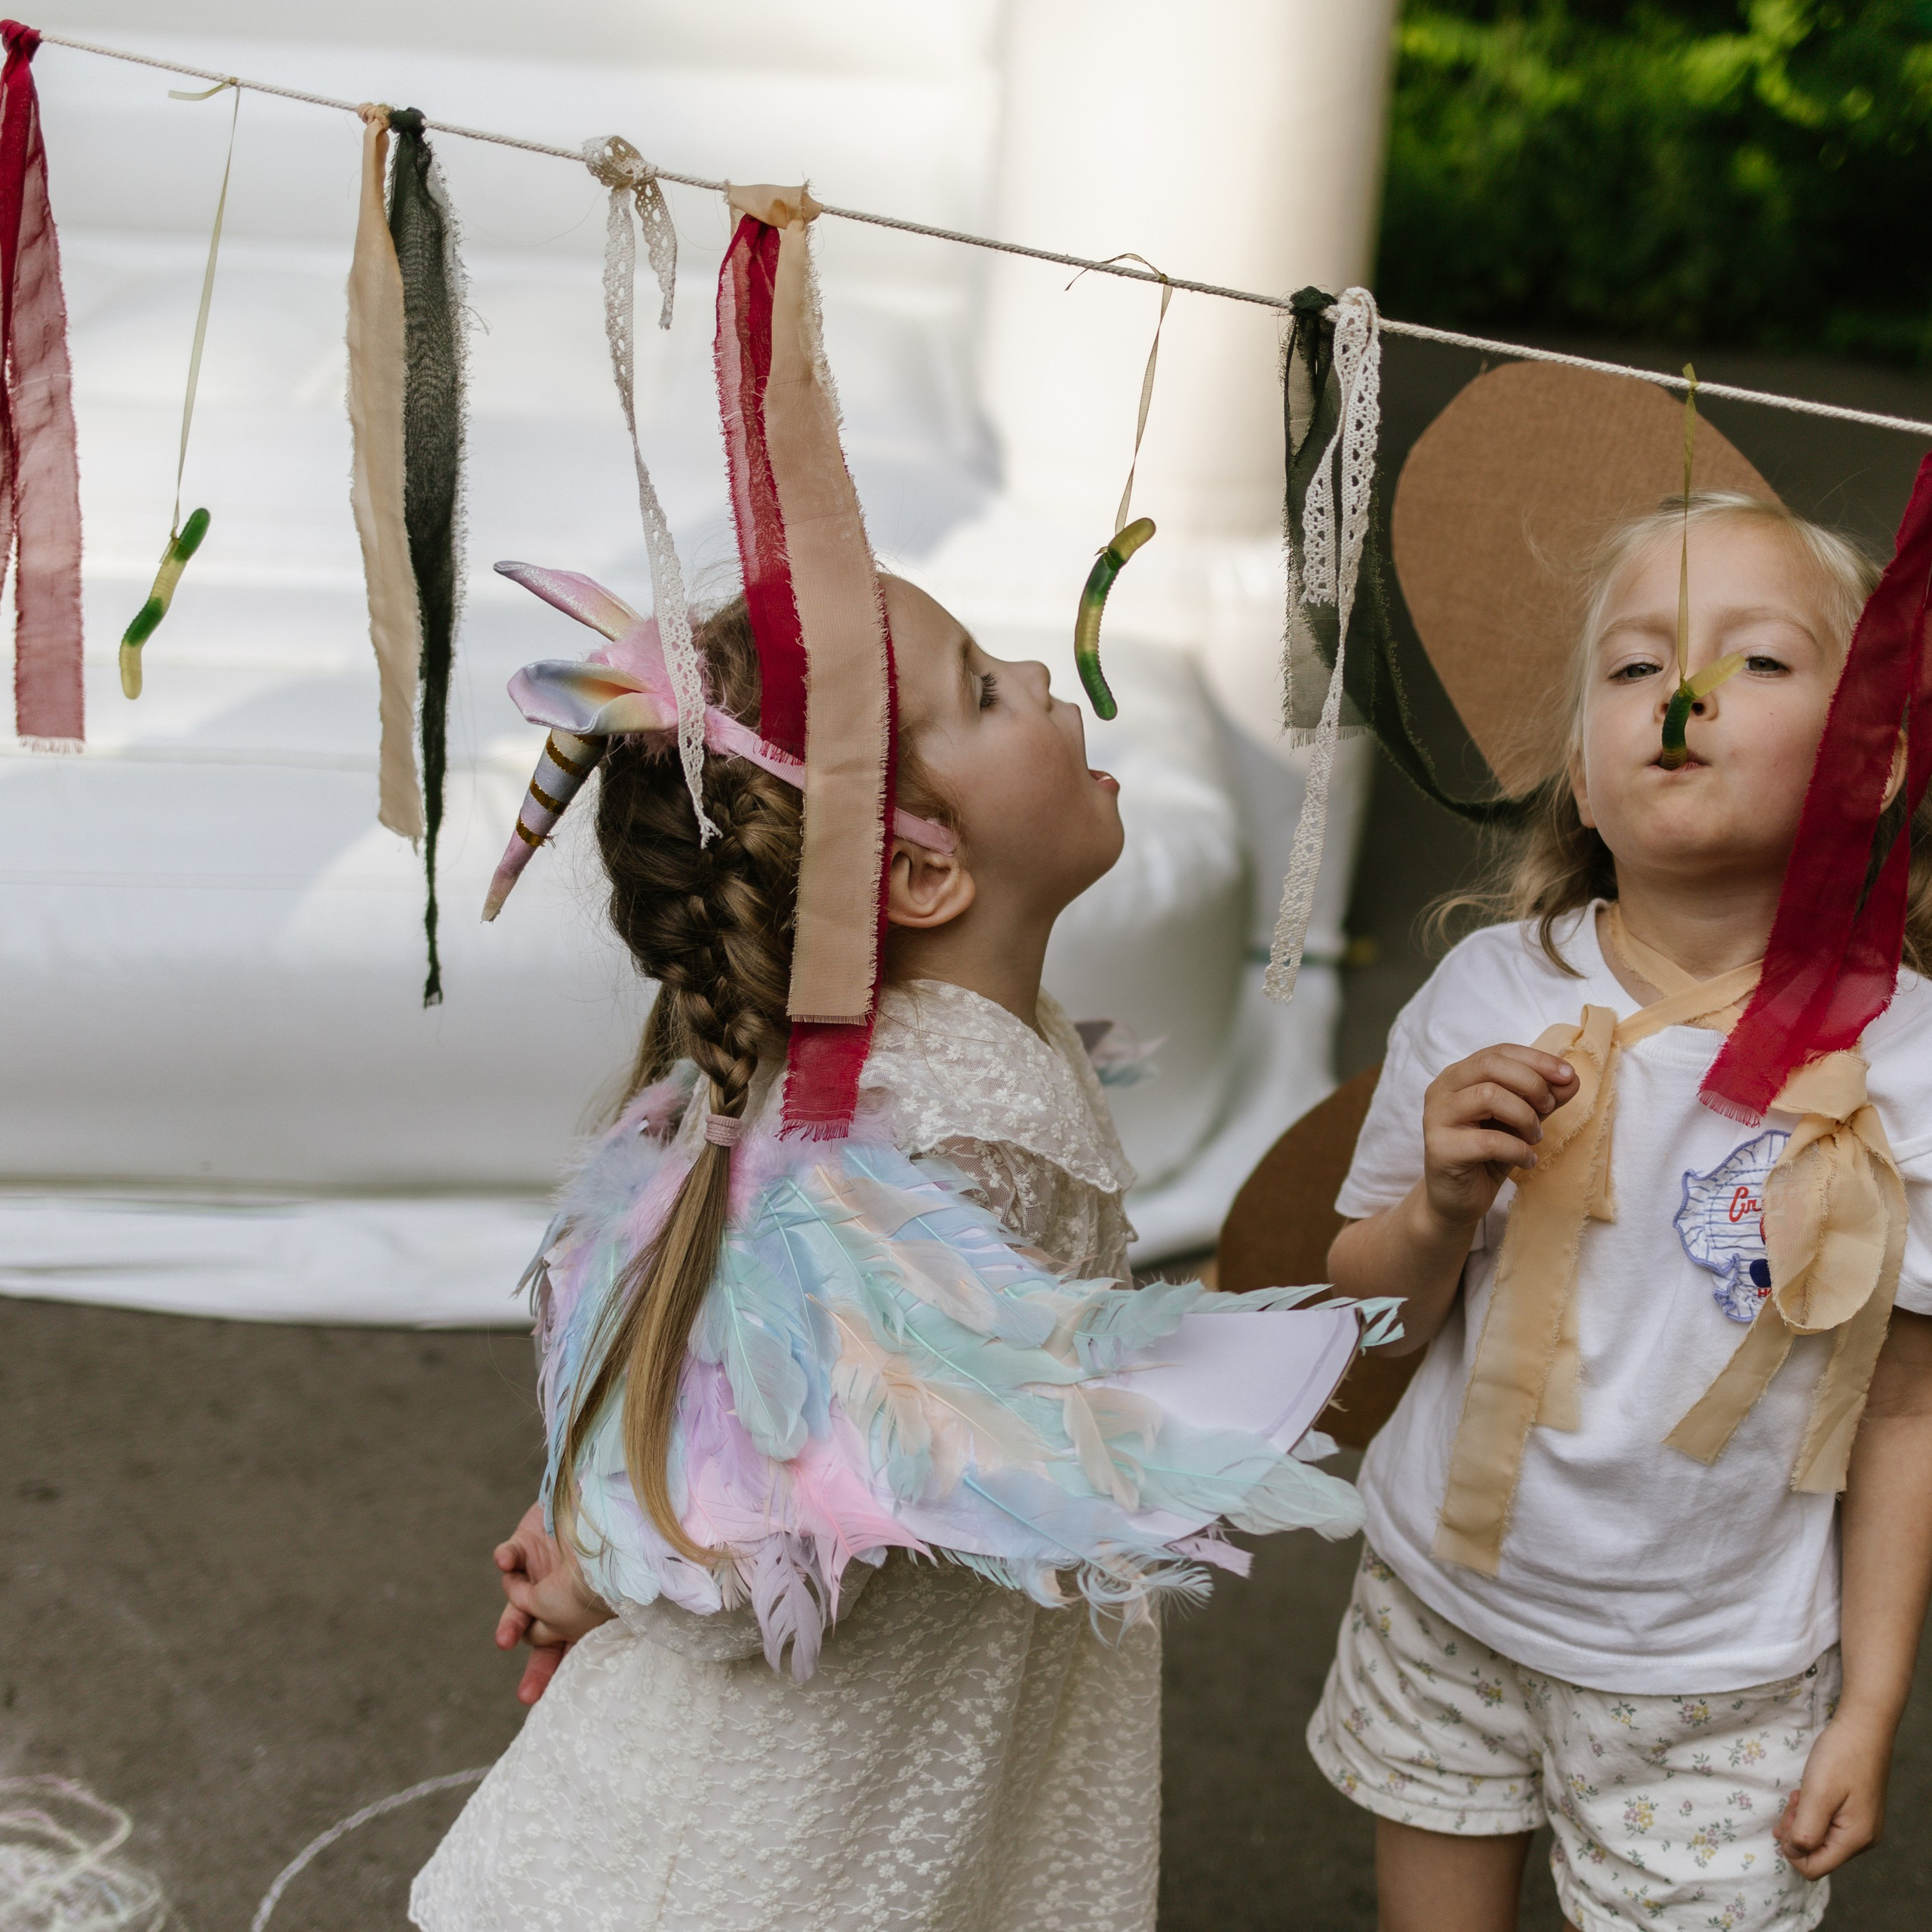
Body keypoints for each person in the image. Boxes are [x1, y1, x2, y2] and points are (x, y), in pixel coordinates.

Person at [408, 569, 1372, 1932]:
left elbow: (735, 1397)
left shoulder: (911, 1082)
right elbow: (752, 1552)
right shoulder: (943, 1135)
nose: (1040, 676)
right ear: (922, 868)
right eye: (985, 687)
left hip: (883, 1766)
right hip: (792, 1845)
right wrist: (617, 1562)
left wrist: (594, 1533)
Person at [1309, 489, 1932, 1932]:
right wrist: (1442, 1206)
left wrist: (1876, 1701)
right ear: (1584, 778)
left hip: (1716, 1677)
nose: (1685, 694)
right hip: (1444, 1608)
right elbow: (1369, 1306)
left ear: (1880, 760)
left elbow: (1905, 1410)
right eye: (1637, 667)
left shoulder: (1906, 1066)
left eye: (1758, 661)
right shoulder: (1491, 996)